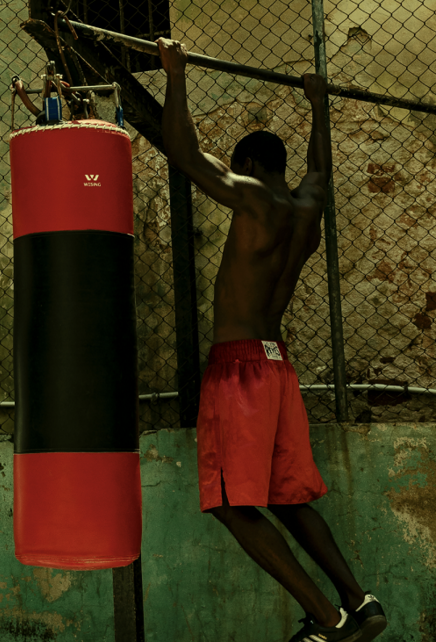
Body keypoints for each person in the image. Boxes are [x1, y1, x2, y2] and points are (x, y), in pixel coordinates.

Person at [157, 37, 388, 642]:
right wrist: (317, 106)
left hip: (239, 372)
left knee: (231, 503)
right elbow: (320, 170)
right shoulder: (306, 206)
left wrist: (175, 74)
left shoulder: (254, 197)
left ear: (251, 167)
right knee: (285, 496)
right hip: (277, 366)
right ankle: (360, 602)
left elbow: (183, 153)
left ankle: (328, 619)